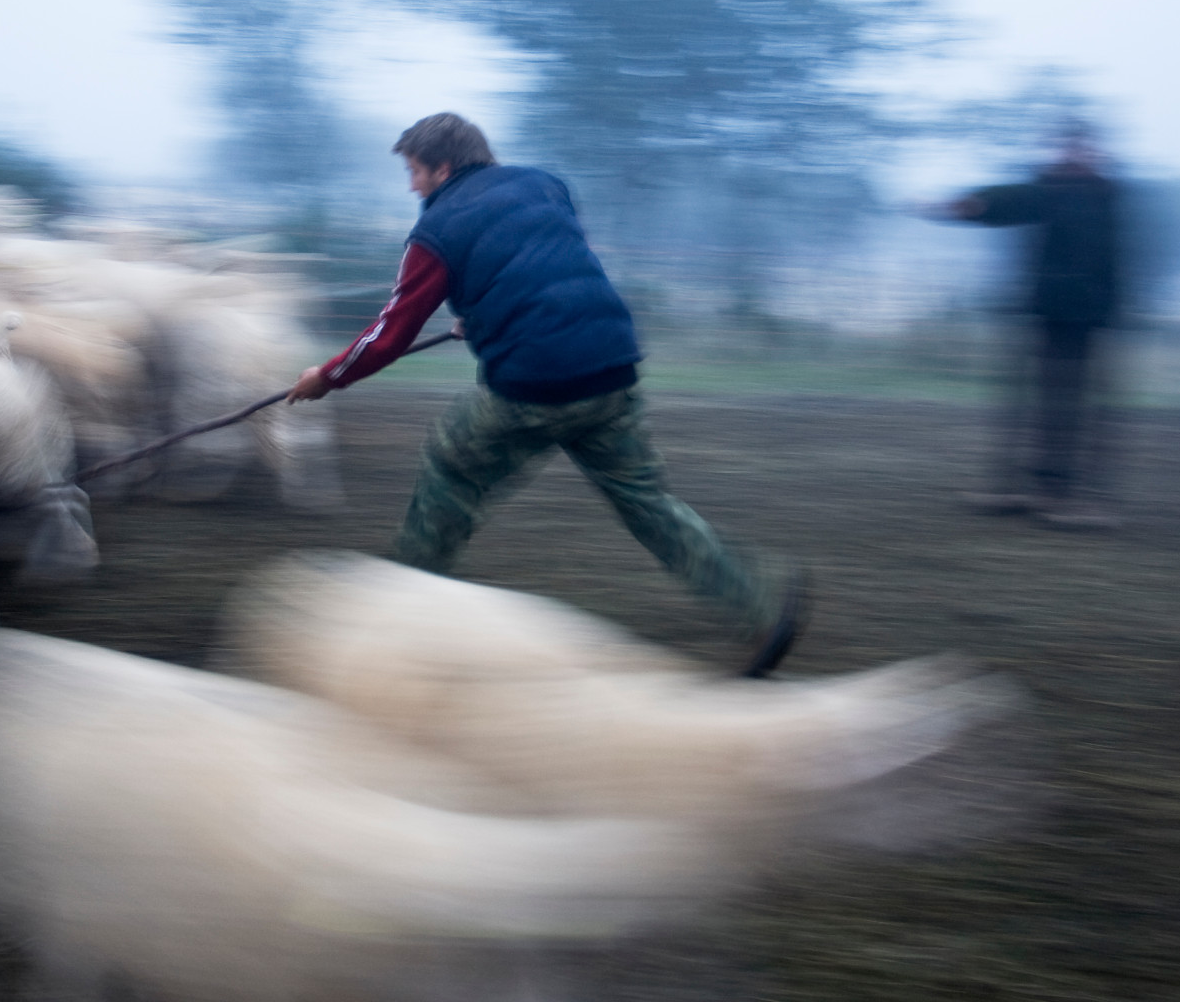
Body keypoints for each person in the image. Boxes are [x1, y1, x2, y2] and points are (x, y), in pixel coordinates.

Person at [288, 113, 805, 675]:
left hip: (535, 384)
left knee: (449, 468)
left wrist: (328, 376)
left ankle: (398, 621)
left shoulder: (434, 232)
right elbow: (538, 263)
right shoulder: (545, 184)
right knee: (648, 502)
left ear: (443, 167)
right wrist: (482, 313)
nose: (411, 185)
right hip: (611, 366)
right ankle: (760, 606)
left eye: (414, 172)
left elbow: (392, 331)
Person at [928, 119, 1126, 529]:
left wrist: (1112, 307)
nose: (1071, 156)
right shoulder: (1049, 190)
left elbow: (1117, 258)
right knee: (1023, 402)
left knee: (1070, 406)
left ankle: (1064, 492)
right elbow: (1009, 202)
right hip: (1045, 309)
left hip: (1086, 316)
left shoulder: (1104, 196)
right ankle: (1020, 485)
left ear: (1094, 154)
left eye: (1080, 149)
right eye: (1066, 148)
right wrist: (971, 205)